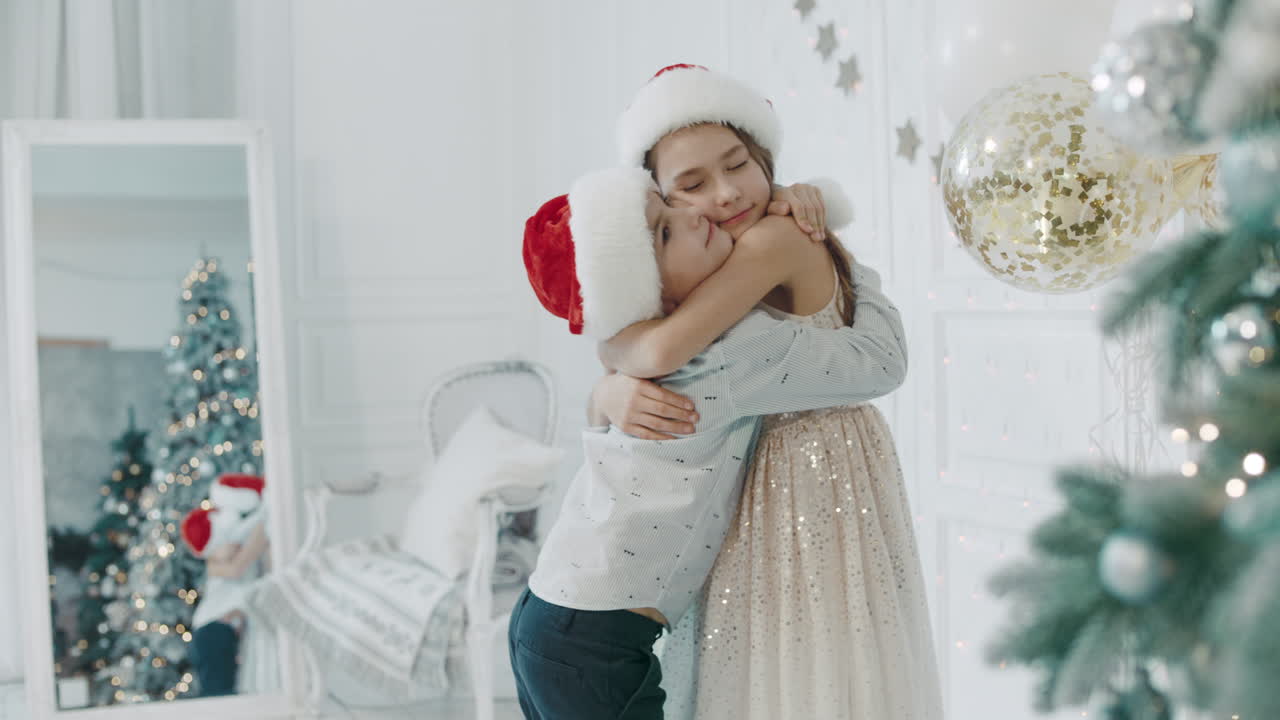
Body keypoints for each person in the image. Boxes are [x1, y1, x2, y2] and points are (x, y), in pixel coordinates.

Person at [592, 64, 943, 718]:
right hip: (770, 466)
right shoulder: (724, 251)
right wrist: (612, 386)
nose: (726, 193)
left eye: (738, 165)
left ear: (765, 160)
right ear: (660, 201)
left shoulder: (769, 239)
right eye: (692, 184)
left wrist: (613, 365)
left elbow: (666, 347)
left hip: (807, 467)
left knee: (809, 658)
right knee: (783, 659)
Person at [510, 164, 907, 719]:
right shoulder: (731, 355)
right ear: (653, 297)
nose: (695, 213)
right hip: (593, 639)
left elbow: (609, 379)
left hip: (551, 612)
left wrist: (610, 378)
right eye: (667, 229)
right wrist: (844, 261)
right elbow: (882, 362)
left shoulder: (654, 353)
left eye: (669, 209)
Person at [180, 473, 270, 697]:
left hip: (216, 629)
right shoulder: (226, 549)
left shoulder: (232, 542)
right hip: (214, 628)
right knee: (220, 696)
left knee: (223, 694)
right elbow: (236, 567)